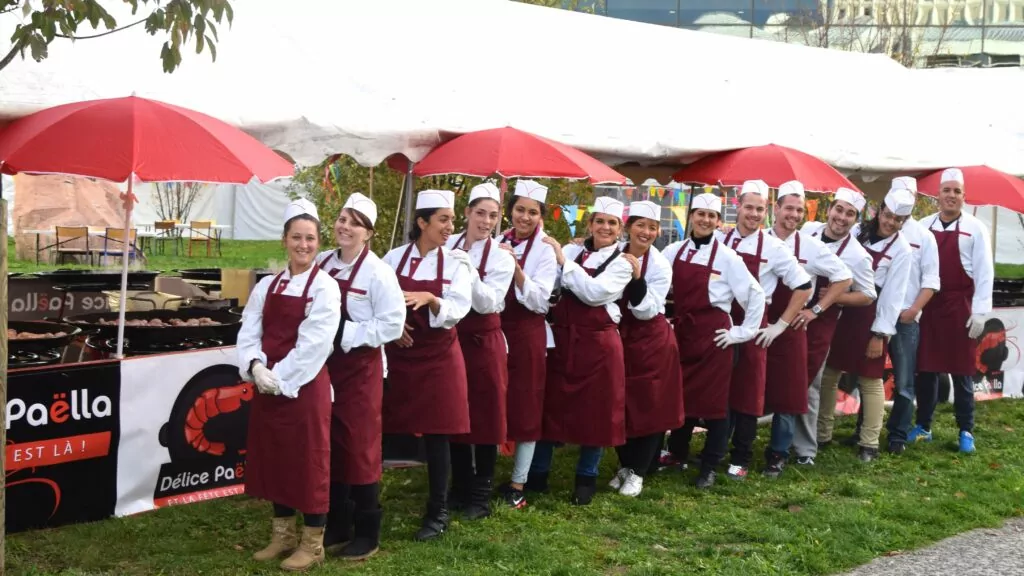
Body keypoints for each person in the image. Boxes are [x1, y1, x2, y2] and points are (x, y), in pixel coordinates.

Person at [237, 198, 341, 571]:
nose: (303, 245)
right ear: (284, 240)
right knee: (276, 459)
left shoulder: (325, 288)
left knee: (310, 463)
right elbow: (249, 330)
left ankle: (313, 544)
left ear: (318, 241)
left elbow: (315, 345)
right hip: (267, 384)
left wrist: (278, 379)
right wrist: (255, 366)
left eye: (310, 238)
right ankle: (282, 536)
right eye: (296, 237)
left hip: (304, 387)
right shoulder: (267, 286)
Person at [316, 193, 404, 560]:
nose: (345, 227)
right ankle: (338, 523)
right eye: (342, 219)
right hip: (325, 367)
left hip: (362, 371)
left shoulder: (379, 273)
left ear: (368, 233)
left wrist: (347, 332)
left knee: (360, 447)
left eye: (355, 223)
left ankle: (368, 531)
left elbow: (392, 324)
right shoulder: (322, 262)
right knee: (331, 443)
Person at [382, 189, 474, 541]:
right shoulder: (393, 259)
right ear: (422, 222)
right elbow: (379, 300)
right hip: (401, 356)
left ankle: (438, 511)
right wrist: (393, 328)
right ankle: (362, 503)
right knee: (384, 426)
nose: (451, 227)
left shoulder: (457, 263)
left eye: (452, 220)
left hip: (439, 357)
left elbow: (458, 308)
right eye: (443, 219)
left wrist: (432, 298)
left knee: (438, 434)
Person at [531, 195, 633, 505]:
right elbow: (551, 283)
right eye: (599, 221)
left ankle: (586, 477)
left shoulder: (623, 262)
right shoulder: (573, 250)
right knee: (551, 408)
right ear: (589, 223)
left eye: (612, 223)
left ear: (620, 230)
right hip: (563, 339)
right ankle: (538, 474)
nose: (605, 227)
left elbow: (594, 293)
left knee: (596, 413)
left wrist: (564, 263)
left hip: (599, 345)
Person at [661, 192, 765, 489]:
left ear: (719, 221)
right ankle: (677, 453)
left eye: (711, 216)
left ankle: (709, 465)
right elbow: (656, 281)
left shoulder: (728, 257)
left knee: (716, 407)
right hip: (684, 334)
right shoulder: (673, 251)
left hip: (715, 340)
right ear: (691, 216)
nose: (705, 220)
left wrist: (741, 333)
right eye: (700, 214)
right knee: (681, 398)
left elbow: (755, 295)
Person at [714, 180, 812, 481]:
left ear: (766, 210)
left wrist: (779, 326)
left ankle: (740, 457)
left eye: (759, 209)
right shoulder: (719, 239)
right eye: (749, 207)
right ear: (737, 206)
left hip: (755, 324)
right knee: (719, 389)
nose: (754, 214)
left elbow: (804, 286)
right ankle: (714, 452)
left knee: (748, 394)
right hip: (722, 321)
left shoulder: (774, 247)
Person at [762, 181, 851, 479]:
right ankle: (740, 448)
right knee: (751, 385)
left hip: (791, 329)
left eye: (799, 210)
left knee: (789, 392)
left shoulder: (811, 246)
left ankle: (779, 452)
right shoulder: (758, 240)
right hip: (760, 323)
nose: (794, 215)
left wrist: (815, 310)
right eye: (789, 208)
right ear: (776, 208)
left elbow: (844, 278)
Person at [816, 187, 913, 462]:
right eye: (888, 215)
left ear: (904, 222)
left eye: (898, 219)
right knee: (830, 373)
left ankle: (869, 443)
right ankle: (822, 434)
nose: (890, 222)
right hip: (840, 309)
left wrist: (879, 334)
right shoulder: (857, 231)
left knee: (870, 379)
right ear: (879, 211)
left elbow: (893, 296)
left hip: (870, 315)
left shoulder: (903, 250)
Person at [445, 183, 515, 520]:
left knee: (487, 415)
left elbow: (491, 302)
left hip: (484, 341)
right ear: (467, 213)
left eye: (493, 215)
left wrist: (470, 272)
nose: (486, 221)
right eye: (480, 213)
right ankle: (459, 486)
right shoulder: (446, 246)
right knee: (455, 412)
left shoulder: (501, 257)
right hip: (452, 338)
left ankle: (481, 494)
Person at [912, 168, 994, 454]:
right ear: (938, 195)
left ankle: (966, 430)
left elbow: (985, 272)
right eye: (946, 190)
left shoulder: (975, 228)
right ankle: (923, 426)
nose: (951, 195)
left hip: (960, 307)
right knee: (926, 370)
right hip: (929, 306)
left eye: (956, 191)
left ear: (963, 196)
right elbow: (915, 267)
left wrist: (980, 312)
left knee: (962, 371)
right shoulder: (923, 226)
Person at [793, 187, 877, 466]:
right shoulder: (808, 231)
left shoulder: (857, 255)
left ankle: (805, 449)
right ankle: (784, 437)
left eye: (850, 214)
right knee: (787, 378)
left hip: (822, 321)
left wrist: (835, 297)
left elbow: (868, 295)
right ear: (829, 209)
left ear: (856, 220)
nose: (841, 217)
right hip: (791, 311)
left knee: (810, 383)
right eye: (838, 209)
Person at [605, 200, 684, 498]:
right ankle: (625, 464)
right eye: (640, 225)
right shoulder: (613, 253)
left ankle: (638, 471)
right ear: (628, 227)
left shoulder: (660, 266)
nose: (646, 232)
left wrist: (637, 279)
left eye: (652, 227)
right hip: (620, 338)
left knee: (651, 407)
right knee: (620, 403)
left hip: (652, 341)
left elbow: (647, 310)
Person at [494, 180, 559, 510]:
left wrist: (517, 270)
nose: (525, 217)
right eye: (520, 210)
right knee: (494, 402)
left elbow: (540, 301)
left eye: (532, 212)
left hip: (529, 334)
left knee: (527, 407)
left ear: (540, 216)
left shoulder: (545, 250)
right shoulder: (496, 242)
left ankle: (518, 483)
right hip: (497, 331)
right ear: (510, 212)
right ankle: (483, 474)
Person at [882, 177, 940, 455]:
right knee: (868, 377)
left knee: (904, 382)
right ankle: (864, 429)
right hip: (876, 314)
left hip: (905, 318)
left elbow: (931, 280)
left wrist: (914, 310)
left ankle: (898, 434)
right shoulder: (878, 230)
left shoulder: (924, 236)